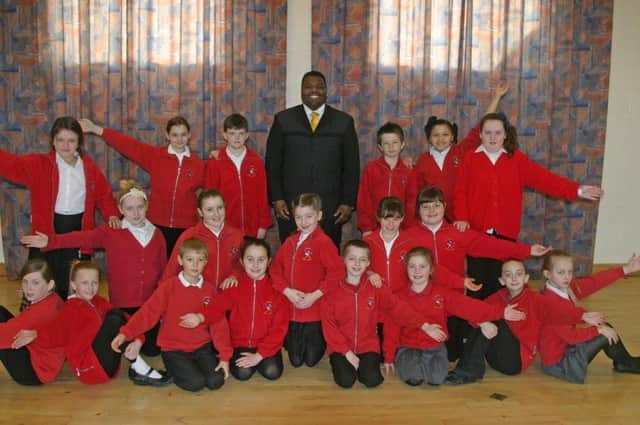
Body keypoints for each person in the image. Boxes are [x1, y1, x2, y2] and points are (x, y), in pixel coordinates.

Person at [453, 112, 603, 299]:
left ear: (505, 134)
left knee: (505, 281)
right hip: (477, 233)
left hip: (506, 232)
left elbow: (545, 180)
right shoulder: (469, 159)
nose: (492, 137)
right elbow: (460, 193)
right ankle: (477, 323)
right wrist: (462, 218)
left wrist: (577, 190)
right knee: (479, 283)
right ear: (480, 135)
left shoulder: (516, 159)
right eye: (488, 133)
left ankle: (503, 321)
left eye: (497, 133)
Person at [21, 181, 167, 356]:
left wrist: (161, 303)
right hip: (122, 305)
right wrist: (51, 241)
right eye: (129, 208)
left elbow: (163, 269)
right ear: (120, 210)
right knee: (121, 346)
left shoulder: (157, 234)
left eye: (140, 207)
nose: (135, 213)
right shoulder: (112, 232)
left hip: (149, 306)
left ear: (147, 206)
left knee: (153, 351)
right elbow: (82, 238)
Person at [407, 186, 550, 361]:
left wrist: (526, 250)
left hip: (453, 304)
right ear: (417, 210)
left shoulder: (457, 233)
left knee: (452, 355)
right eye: (425, 206)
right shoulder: (409, 237)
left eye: (436, 205)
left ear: (444, 207)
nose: (431, 211)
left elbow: (492, 245)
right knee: (420, 344)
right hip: (421, 302)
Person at [0, 116, 120, 299]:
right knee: (39, 285)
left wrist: (111, 214)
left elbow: (104, 196)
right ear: (53, 141)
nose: (66, 145)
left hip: (77, 231)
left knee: (71, 287)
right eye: (61, 140)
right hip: (46, 231)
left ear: (79, 141)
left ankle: (70, 319)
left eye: (71, 140)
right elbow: (9, 164)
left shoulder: (89, 168)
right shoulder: (39, 164)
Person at [12, 261, 169, 386]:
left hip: (105, 363)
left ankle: (137, 366)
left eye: (94, 283)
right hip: (89, 370)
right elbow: (55, 333)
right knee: (114, 319)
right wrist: (36, 335)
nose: (91, 287)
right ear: (74, 285)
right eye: (85, 283)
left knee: (116, 314)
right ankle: (140, 368)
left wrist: (138, 339)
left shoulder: (98, 301)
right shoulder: (70, 308)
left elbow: (126, 317)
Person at [383, 248, 525, 386]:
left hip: (435, 346)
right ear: (406, 269)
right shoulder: (398, 297)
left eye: (422, 266)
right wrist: (389, 357)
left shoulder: (441, 293)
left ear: (431, 270)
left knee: (436, 379)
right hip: (409, 346)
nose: (417, 271)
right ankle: (412, 362)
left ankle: (427, 361)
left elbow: (468, 306)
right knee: (414, 379)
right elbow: (391, 328)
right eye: (412, 266)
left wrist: (500, 312)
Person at [112, 238, 232, 392]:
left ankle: (194, 366)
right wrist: (126, 333)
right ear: (180, 260)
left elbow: (219, 324)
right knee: (195, 383)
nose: (195, 265)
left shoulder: (210, 290)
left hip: (201, 347)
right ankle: (175, 368)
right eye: (190, 259)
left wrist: (224, 357)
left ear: (205, 262)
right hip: (174, 349)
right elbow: (148, 313)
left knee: (216, 381)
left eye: (200, 260)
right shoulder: (169, 287)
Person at [79, 117, 204, 256]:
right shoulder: (156, 156)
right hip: (156, 225)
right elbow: (128, 145)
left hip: (185, 228)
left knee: (180, 270)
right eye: (175, 135)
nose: (179, 139)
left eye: (183, 134)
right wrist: (95, 128)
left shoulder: (198, 164)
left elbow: (214, 187)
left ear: (189, 135)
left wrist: (218, 155)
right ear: (167, 135)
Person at [321, 240, 434, 389]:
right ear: (344, 260)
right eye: (352, 258)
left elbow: (398, 307)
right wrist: (347, 353)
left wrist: (423, 324)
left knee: (372, 380)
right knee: (346, 381)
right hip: (341, 347)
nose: (357, 264)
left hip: (368, 346)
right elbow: (329, 327)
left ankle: (360, 366)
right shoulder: (332, 290)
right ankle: (341, 363)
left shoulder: (376, 286)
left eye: (362, 259)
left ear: (368, 263)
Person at [265, 70, 360, 246]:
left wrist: (348, 202)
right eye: (308, 87)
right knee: (292, 254)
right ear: (301, 90)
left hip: (330, 207)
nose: (314, 90)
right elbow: (273, 164)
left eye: (319, 87)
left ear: (326, 91)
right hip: (291, 205)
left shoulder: (343, 122)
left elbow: (351, 167)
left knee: (326, 256)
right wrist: (276, 198)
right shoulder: (284, 120)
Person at [179, 238, 289, 381]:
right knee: (243, 374)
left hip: (267, 344)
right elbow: (216, 308)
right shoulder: (234, 287)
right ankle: (251, 362)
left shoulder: (277, 292)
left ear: (269, 261)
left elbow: (279, 329)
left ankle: (261, 359)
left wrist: (260, 355)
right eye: (250, 259)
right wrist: (200, 317)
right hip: (240, 344)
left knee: (272, 372)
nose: (255, 265)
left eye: (261, 260)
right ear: (242, 262)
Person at [538, 250, 640, 384]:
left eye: (570, 272)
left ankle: (625, 362)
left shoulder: (563, 288)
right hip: (559, 364)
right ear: (547, 274)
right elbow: (572, 337)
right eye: (561, 272)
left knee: (606, 328)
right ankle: (627, 363)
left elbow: (595, 282)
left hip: (565, 347)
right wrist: (597, 330)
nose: (567, 277)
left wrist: (625, 269)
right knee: (604, 333)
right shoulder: (551, 303)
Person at [445, 259, 552, 384]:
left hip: (516, 361)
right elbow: (472, 315)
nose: (514, 278)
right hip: (495, 358)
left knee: (495, 319)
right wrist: (482, 323)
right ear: (502, 280)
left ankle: (468, 372)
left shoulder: (536, 299)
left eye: (518, 274)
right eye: (508, 274)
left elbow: (561, 313)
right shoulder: (496, 297)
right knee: (485, 317)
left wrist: (580, 314)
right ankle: (468, 370)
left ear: (526, 278)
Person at [414, 82, 509, 221]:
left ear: (452, 137)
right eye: (436, 135)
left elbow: (480, 127)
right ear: (429, 138)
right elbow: (417, 193)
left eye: (445, 135)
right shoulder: (422, 160)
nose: (440, 139)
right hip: (432, 218)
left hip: (461, 217)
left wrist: (496, 97)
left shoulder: (461, 151)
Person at [270, 193, 345, 368]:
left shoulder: (324, 242)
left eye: (309, 216)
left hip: (315, 311)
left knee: (311, 360)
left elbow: (337, 273)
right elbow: (275, 270)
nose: (303, 222)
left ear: (319, 215)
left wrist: (315, 295)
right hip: (292, 309)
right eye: (298, 217)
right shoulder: (289, 242)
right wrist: (287, 291)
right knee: (295, 361)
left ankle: (321, 340)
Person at [204, 113, 271, 238]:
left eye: (241, 133)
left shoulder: (256, 161)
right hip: (224, 227)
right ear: (225, 135)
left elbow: (262, 195)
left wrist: (263, 225)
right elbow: (209, 196)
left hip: (252, 227)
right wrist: (211, 223)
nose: (237, 138)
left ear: (247, 135)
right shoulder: (216, 161)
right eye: (232, 133)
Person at [161, 189, 243, 289]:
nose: (216, 214)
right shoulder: (189, 236)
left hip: (226, 295)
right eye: (209, 210)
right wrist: (163, 296)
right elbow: (172, 270)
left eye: (220, 208)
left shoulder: (237, 235)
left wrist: (234, 276)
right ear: (200, 212)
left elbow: (240, 266)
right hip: (196, 295)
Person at [0, 259, 64, 385]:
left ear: (50, 284)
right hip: (45, 359)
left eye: (35, 283)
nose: (29, 288)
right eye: (25, 282)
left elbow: (5, 334)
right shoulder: (54, 298)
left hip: (33, 372)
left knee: (5, 334)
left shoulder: (39, 313)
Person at [357, 122, 418, 235]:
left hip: (400, 227)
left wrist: (408, 227)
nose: (391, 147)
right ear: (380, 147)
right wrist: (366, 227)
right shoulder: (371, 169)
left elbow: (411, 202)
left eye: (395, 142)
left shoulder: (409, 171)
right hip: (374, 228)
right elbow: (364, 200)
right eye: (386, 143)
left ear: (402, 144)